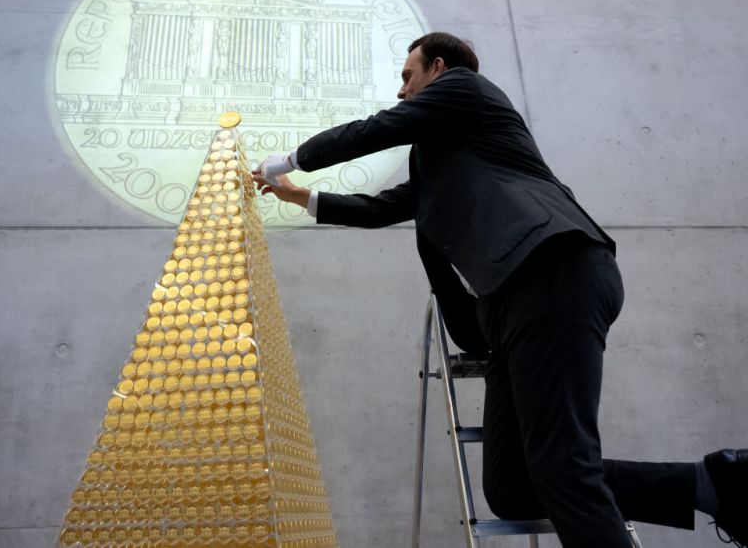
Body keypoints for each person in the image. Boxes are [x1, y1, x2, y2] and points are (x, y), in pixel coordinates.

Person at [251, 32, 747, 547]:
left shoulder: (468, 89)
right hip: (510, 306)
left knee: (562, 468)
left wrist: (285, 161)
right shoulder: (440, 160)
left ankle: (717, 483)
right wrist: (300, 197)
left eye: (407, 76)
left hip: (551, 270)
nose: (401, 92)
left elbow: (377, 129)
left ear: (437, 68)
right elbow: (379, 210)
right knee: (515, 487)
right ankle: (713, 484)